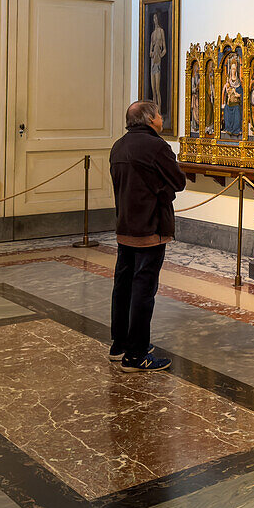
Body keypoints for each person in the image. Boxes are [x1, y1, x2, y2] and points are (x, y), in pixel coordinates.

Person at [108, 101, 185, 372]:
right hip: (150, 228)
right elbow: (179, 182)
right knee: (144, 290)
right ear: (150, 119)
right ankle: (136, 355)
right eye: (159, 114)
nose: (162, 118)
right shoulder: (156, 147)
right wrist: (163, 190)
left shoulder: (119, 146)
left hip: (125, 226)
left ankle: (120, 344)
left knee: (123, 285)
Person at [148, 12, 166, 115]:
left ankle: (159, 111)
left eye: (156, 18)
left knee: (158, 89)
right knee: (153, 89)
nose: (155, 20)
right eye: (153, 18)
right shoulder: (153, 34)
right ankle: (155, 112)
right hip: (152, 63)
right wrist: (152, 53)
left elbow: (165, 49)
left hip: (158, 61)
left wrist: (160, 56)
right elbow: (150, 50)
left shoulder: (161, 31)